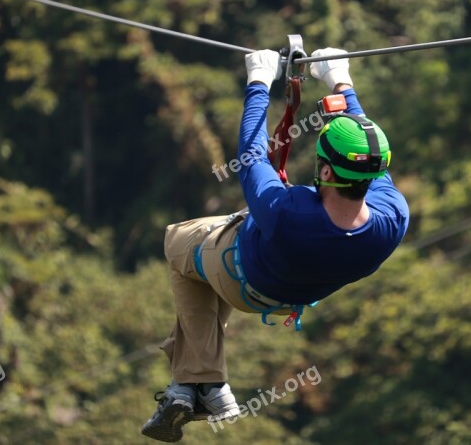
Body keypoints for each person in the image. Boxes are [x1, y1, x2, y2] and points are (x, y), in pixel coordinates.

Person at [141, 48, 409, 442]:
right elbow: (367, 153)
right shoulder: (392, 218)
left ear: (323, 170)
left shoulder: (288, 213)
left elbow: (251, 156)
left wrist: (258, 83)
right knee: (206, 261)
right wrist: (341, 82)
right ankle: (194, 386)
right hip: (290, 296)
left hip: (242, 276)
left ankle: (204, 381)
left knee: (178, 241)